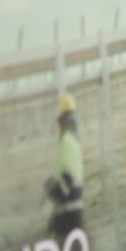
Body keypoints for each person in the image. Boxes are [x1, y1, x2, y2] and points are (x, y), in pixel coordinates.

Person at [45, 93, 86, 239]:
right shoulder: (75, 142)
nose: (59, 127)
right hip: (74, 208)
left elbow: (68, 177)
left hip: (68, 211)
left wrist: (53, 190)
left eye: (59, 123)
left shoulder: (67, 141)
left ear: (63, 122)